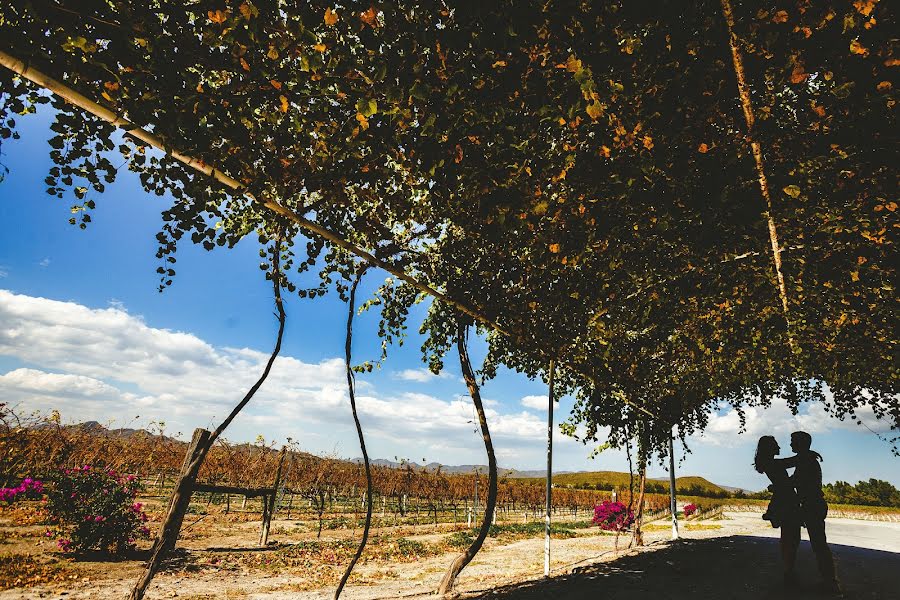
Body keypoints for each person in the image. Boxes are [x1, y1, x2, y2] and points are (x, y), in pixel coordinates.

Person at [785, 430, 839, 593]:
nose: (791, 444)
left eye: (793, 441)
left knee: (819, 544)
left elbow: (795, 479)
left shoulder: (805, 460)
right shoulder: (806, 458)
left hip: (812, 505)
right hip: (813, 505)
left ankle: (830, 583)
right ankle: (829, 581)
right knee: (818, 544)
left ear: (801, 443)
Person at [754, 435, 802, 586]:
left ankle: (789, 570)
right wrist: (807, 454)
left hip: (782, 501)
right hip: (786, 502)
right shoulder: (773, 464)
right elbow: (792, 462)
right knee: (791, 538)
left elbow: (787, 471)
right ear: (770, 448)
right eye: (776, 445)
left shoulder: (770, 464)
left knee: (789, 537)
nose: (780, 448)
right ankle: (789, 571)